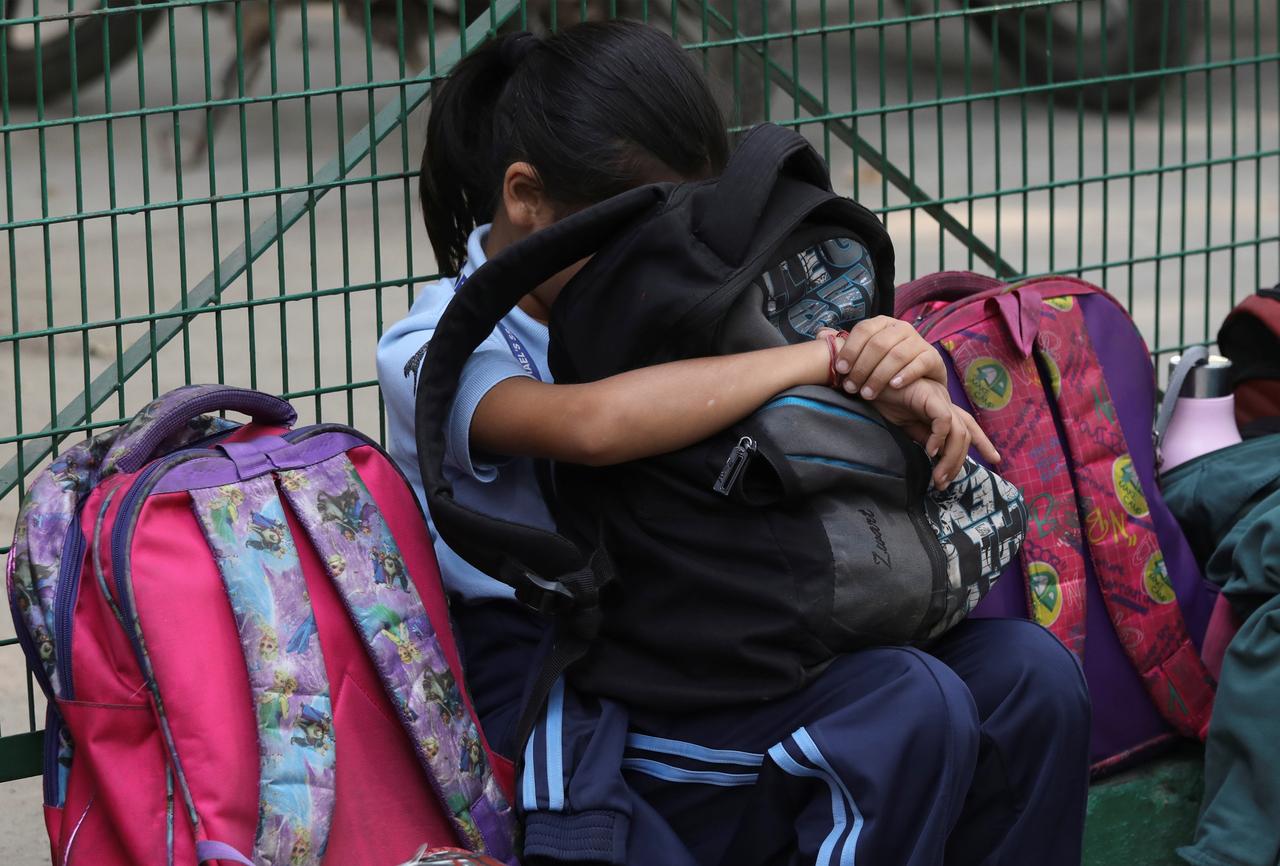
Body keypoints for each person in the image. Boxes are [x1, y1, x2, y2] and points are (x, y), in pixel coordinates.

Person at [378, 20, 1090, 866]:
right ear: (527, 198)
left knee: (1030, 680)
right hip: (568, 671)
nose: (670, 255)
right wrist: (818, 358)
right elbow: (590, 425)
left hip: (725, 619)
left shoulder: (671, 285)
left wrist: (897, 368)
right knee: (907, 707)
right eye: (632, 232)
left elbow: (800, 415)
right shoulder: (436, 345)